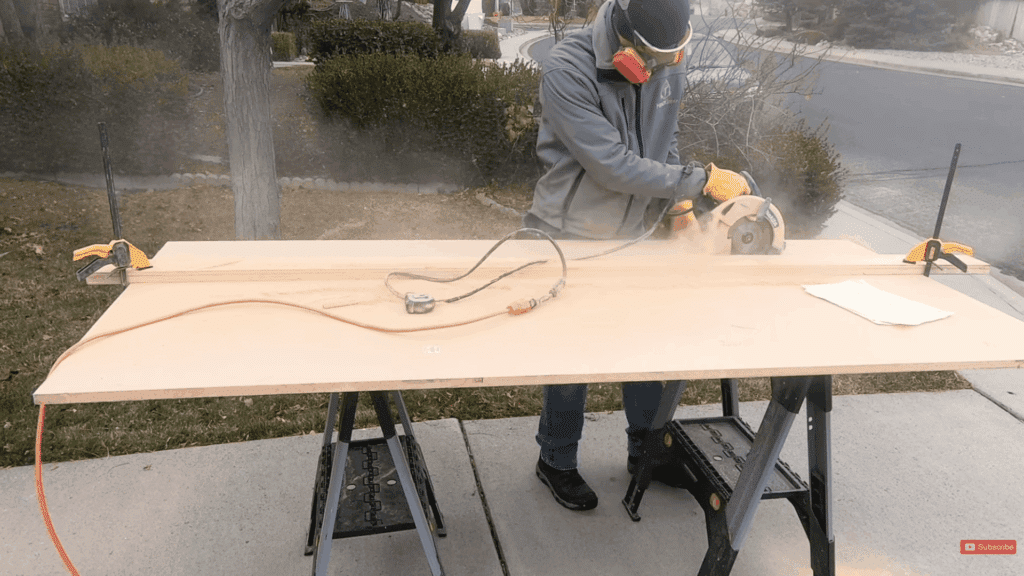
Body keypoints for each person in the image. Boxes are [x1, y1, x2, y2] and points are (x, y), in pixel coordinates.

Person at [524, 0, 754, 511]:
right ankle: (556, 459)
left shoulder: (669, 58)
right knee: (573, 356)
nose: (655, 68)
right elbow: (610, 165)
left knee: (650, 342)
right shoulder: (568, 67)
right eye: (647, 58)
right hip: (574, 230)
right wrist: (699, 178)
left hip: (638, 228)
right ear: (625, 41)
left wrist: (679, 204)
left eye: (667, 58)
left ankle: (645, 452)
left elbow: (662, 139)